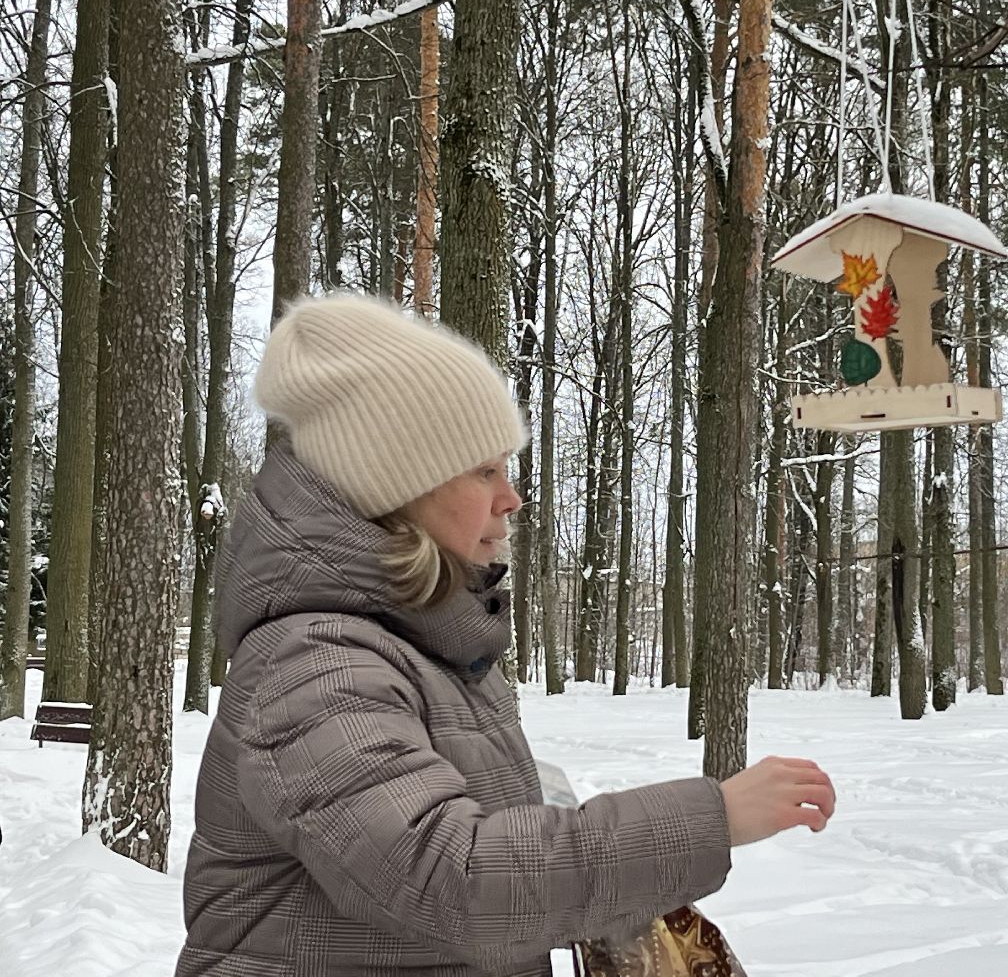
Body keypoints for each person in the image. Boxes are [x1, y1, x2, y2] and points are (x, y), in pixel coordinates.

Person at [176, 293, 835, 977]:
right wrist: (713, 819)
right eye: (484, 469)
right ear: (398, 487)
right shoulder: (315, 660)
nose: (511, 496)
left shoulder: (424, 644)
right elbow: (452, 878)